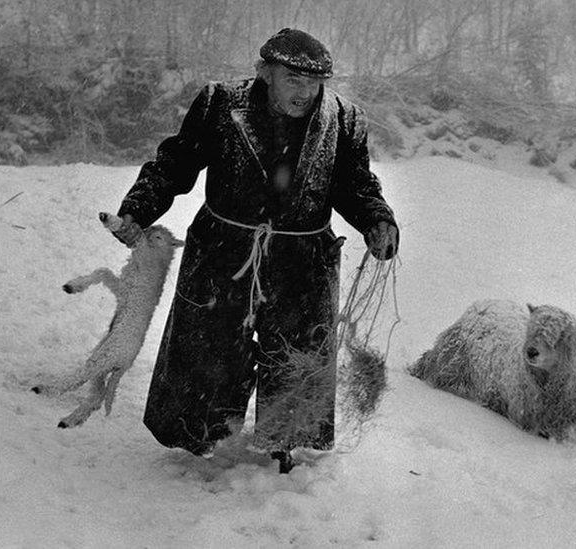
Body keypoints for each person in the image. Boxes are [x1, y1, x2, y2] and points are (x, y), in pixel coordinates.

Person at [109, 28, 398, 472]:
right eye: (292, 80)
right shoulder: (220, 105)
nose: (304, 93)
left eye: (313, 83)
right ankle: (198, 448)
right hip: (225, 250)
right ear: (265, 73)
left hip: (304, 261)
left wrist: (377, 219)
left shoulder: (344, 120)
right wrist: (139, 208)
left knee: (297, 353)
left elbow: (356, 183)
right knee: (209, 348)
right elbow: (176, 162)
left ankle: (288, 444)